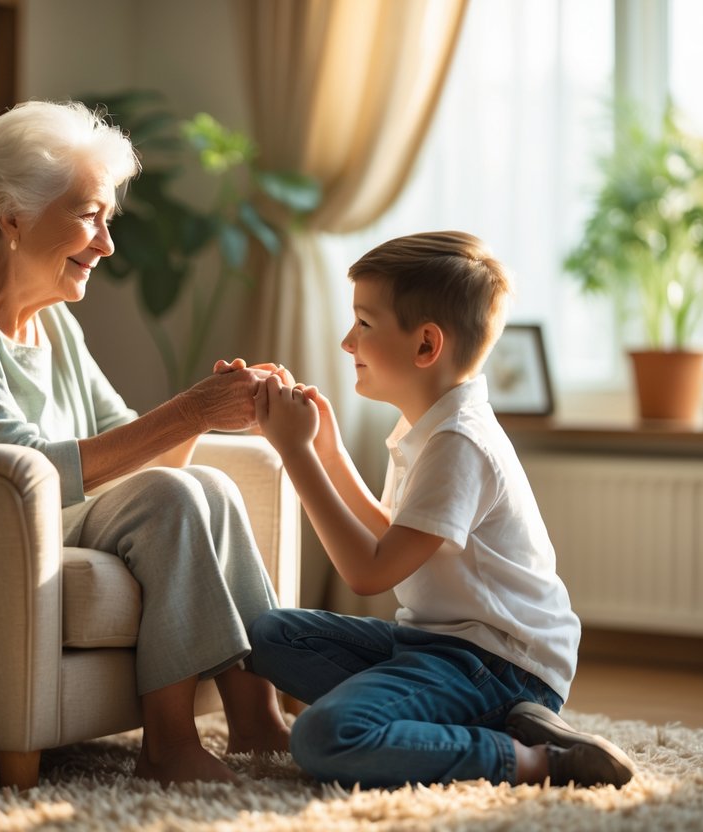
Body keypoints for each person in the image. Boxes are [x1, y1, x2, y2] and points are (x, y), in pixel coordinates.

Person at [0, 100, 290, 785]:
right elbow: (19, 466)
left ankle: (257, 721)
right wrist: (184, 410)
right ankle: (166, 745)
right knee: (170, 494)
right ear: (12, 214)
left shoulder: (54, 325)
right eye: (88, 216)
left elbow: (139, 458)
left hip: (24, 516)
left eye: (107, 219)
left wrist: (201, 416)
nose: (106, 243)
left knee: (207, 485)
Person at [247, 231, 635, 790]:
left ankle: (536, 757)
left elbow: (369, 571)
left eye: (364, 324)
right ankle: (464, 719)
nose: (346, 342)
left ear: (426, 345)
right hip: (436, 645)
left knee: (325, 737)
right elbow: (395, 536)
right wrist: (329, 454)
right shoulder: (425, 426)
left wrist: (295, 451)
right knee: (269, 636)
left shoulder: (460, 442)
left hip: (500, 666)